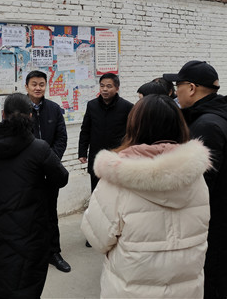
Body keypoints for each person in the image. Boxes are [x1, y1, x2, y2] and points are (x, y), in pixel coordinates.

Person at [81, 94, 211, 298]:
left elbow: (97, 238)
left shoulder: (117, 178)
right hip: (186, 290)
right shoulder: (195, 175)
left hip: (131, 290)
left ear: (134, 126)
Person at [0, 93, 69, 299]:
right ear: (30, 116)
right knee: (28, 282)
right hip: (31, 229)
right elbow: (61, 178)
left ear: (3, 115)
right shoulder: (39, 148)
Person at [164, 60, 227, 299]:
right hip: (214, 226)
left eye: (177, 86)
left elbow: (197, 188)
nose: (175, 92)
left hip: (209, 231)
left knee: (210, 286)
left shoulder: (207, 126)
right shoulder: (210, 119)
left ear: (191, 88)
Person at [25, 70, 70, 273]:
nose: (38, 88)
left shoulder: (54, 108)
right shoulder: (19, 108)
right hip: (27, 173)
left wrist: (50, 162)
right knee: (28, 214)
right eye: (34, 84)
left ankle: (53, 252)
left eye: (41, 84)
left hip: (50, 172)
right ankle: (31, 254)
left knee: (50, 212)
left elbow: (61, 138)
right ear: (27, 86)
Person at [78, 73, 133, 192]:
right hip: (96, 155)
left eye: (109, 86)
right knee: (96, 190)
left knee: (116, 190)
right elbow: (85, 130)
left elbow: (131, 133)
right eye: (102, 86)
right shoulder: (92, 105)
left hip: (117, 155)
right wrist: (82, 152)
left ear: (117, 88)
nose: (104, 89)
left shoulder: (127, 107)